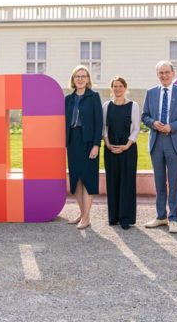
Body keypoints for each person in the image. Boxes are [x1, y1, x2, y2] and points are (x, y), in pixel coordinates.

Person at [142, 61, 177, 233]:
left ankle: (174, 218)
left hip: (175, 142)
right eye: (160, 73)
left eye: (167, 72)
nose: (164, 75)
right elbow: (144, 116)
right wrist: (153, 123)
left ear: (173, 73)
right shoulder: (150, 93)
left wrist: (172, 126)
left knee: (173, 183)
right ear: (157, 74)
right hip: (157, 142)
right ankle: (160, 217)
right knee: (159, 182)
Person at [65, 65, 103, 230]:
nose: (80, 79)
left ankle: (86, 218)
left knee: (88, 180)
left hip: (88, 142)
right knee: (77, 180)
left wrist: (96, 145)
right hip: (73, 142)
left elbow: (99, 122)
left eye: (83, 76)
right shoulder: (68, 99)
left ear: (88, 79)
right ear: (73, 80)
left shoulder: (93, 97)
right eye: (77, 76)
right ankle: (82, 214)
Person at [102, 76, 141, 230]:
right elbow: (104, 128)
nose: (117, 89)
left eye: (120, 86)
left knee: (127, 183)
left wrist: (127, 145)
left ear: (125, 88)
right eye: (115, 86)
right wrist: (108, 144)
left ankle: (126, 218)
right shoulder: (106, 105)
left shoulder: (134, 106)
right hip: (110, 148)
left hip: (128, 149)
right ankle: (113, 217)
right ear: (112, 89)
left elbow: (136, 128)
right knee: (112, 182)